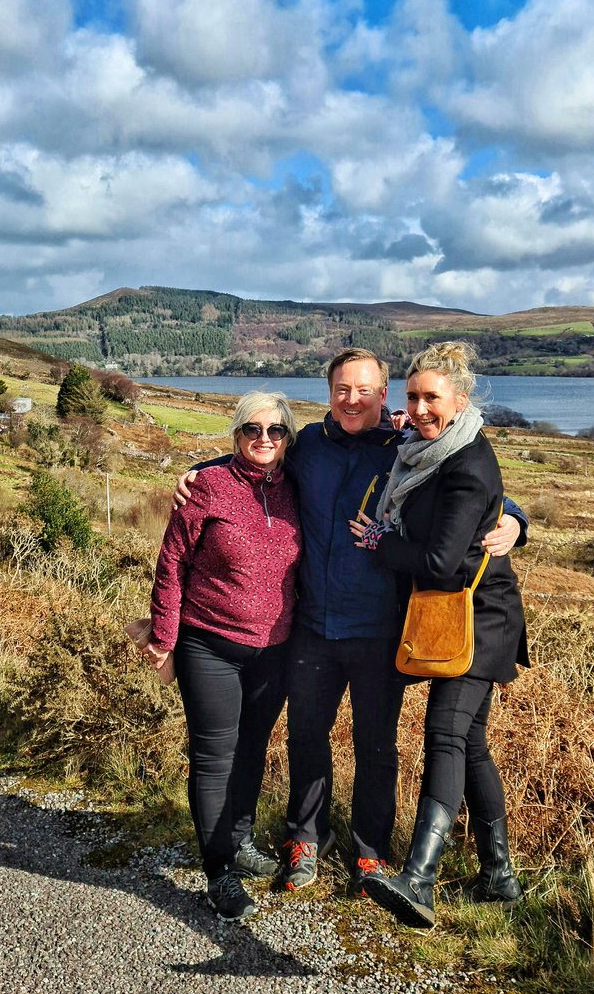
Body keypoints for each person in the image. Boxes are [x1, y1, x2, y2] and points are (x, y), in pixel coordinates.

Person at [174, 348, 527, 896]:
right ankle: (306, 841)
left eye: (366, 390)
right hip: (312, 624)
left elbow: (474, 483)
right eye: (343, 389)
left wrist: (516, 518)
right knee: (307, 737)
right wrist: (197, 472)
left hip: (380, 628)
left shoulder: (406, 447)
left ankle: (370, 854)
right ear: (329, 393)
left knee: (376, 747)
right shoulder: (309, 444)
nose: (353, 399)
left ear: (383, 395)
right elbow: (253, 461)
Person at [349, 341, 527, 929]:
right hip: (461, 613)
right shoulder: (421, 451)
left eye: (432, 398)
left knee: (445, 733)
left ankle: (419, 880)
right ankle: (499, 875)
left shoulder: (467, 462)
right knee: (469, 742)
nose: (420, 409)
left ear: (461, 398)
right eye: (412, 397)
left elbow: (443, 563)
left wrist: (379, 544)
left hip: (480, 615)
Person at [145, 392, 301, 921]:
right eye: (252, 429)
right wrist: (164, 639)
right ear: (235, 434)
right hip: (209, 644)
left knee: (253, 749)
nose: (264, 439)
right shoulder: (208, 486)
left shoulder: (295, 487)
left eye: (276, 431)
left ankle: (238, 839)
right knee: (214, 758)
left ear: (287, 438)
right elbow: (172, 565)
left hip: (274, 651)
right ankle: (219, 872)